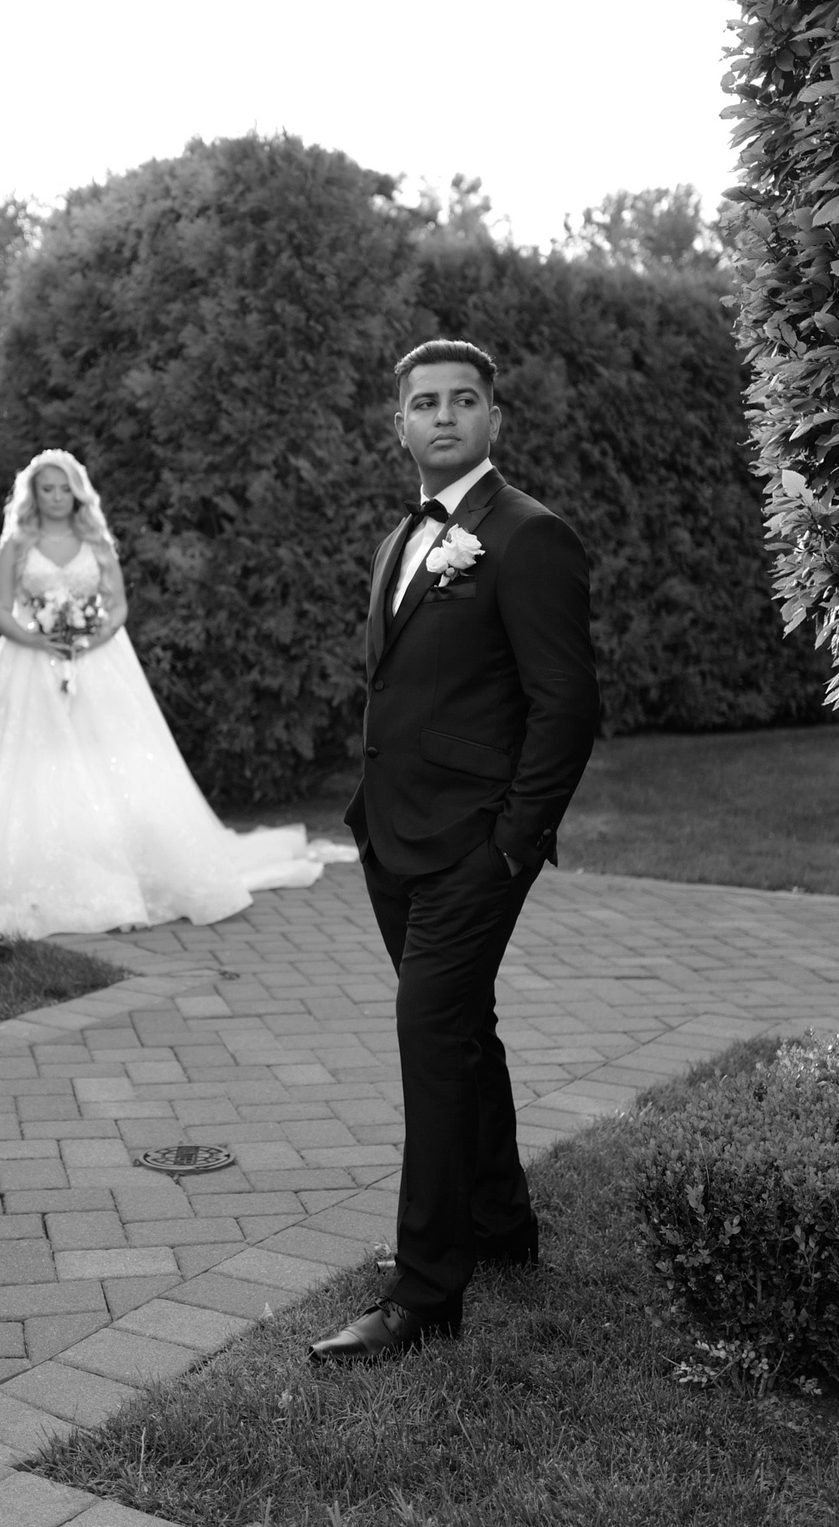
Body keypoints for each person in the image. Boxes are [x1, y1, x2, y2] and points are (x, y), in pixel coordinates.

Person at [310, 339, 600, 1364]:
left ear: (492, 419)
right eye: (425, 403)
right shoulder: (399, 540)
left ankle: (426, 1291)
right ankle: (502, 1224)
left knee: (430, 1038)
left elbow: (567, 706)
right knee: (463, 1031)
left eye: (463, 400)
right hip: (392, 834)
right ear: (399, 424)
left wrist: (512, 843)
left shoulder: (528, 536)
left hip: (476, 848)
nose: (444, 416)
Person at [0, 448, 329, 938]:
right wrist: (37, 638)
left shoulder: (96, 542)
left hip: (97, 660)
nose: (57, 497)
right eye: (47, 489)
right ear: (33, 495)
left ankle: (125, 871)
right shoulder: (16, 544)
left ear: (78, 494)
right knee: (31, 763)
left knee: (111, 759)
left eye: (65, 489)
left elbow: (117, 605)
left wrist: (90, 637)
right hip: (28, 664)